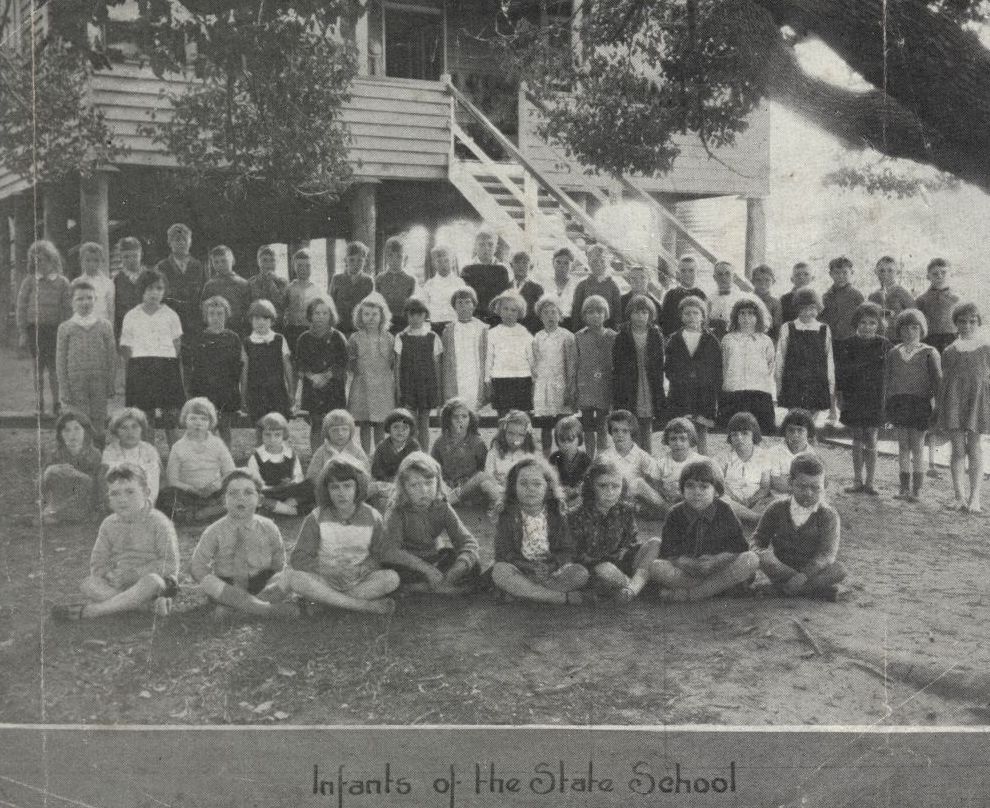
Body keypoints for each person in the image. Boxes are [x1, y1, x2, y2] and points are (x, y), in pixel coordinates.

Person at [52, 464, 179, 621]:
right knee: (88, 584)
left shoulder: (159, 522)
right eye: (115, 494)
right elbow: (98, 563)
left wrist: (134, 575)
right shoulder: (108, 524)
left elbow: (170, 564)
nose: (123, 500)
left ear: (146, 493)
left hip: (153, 582)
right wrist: (109, 574)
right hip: (120, 584)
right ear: (109, 497)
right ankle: (144, 606)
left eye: (130, 492)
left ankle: (93, 611)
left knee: (152, 581)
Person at [286, 456, 399, 616]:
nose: (341, 493)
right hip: (324, 578)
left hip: (357, 580)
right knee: (295, 578)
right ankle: (362, 606)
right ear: (326, 490)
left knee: (391, 578)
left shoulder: (373, 517)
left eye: (347, 486)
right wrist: (327, 569)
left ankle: (326, 602)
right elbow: (298, 557)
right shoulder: (316, 517)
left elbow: (379, 555)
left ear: (358, 487)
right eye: (334, 487)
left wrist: (362, 569)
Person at [190, 470, 299, 620]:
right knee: (208, 582)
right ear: (224, 500)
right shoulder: (214, 531)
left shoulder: (268, 527)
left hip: (262, 582)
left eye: (248, 493)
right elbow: (197, 565)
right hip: (228, 585)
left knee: (290, 575)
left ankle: (238, 611)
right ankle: (265, 609)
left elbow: (278, 562)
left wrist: (276, 579)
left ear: (260, 499)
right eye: (233, 493)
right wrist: (208, 580)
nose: (240, 498)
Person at [650, 459, 758, 602]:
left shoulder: (725, 510)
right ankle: (715, 590)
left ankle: (691, 595)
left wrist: (716, 561)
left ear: (716, 491)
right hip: (687, 572)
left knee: (751, 559)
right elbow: (668, 551)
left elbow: (739, 547)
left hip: (719, 568)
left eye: (704, 487)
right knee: (656, 567)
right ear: (682, 489)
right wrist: (687, 563)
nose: (697, 492)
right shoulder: (674, 513)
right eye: (690, 486)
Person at [489, 456, 591, 605]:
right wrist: (528, 567)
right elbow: (503, 553)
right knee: (499, 571)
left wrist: (550, 566)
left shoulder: (557, 514)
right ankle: (558, 598)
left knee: (581, 573)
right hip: (520, 570)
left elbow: (567, 550)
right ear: (513, 487)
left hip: (551, 572)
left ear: (548, 488)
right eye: (523, 483)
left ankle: (525, 593)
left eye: (537, 484)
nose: (530, 489)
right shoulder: (507, 515)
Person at [379, 452, 481, 595]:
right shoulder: (397, 510)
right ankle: (430, 588)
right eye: (414, 485)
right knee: (391, 574)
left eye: (429, 483)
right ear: (404, 488)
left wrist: (457, 568)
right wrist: (427, 569)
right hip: (407, 562)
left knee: (473, 564)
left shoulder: (442, 506)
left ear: (438, 482)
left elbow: (467, 541)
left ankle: (429, 587)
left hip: (433, 557)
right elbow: (389, 551)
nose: (424, 491)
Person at [753, 453, 847, 600]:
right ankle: (815, 591)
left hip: (812, 571)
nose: (808, 493)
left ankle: (779, 591)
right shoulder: (776, 508)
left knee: (839, 569)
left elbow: (827, 554)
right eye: (802, 487)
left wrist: (803, 576)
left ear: (825, 485)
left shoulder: (828, 515)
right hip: (780, 568)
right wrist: (761, 553)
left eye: (816, 488)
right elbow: (758, 539)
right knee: (764, 558)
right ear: (790, 482)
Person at [570, 458, 662, 603]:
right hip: (594, 569)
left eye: (615, 486)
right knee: (606, 571)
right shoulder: (576, 515)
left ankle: (631, 589)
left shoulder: (625, 510)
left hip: (622, 562)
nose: (610, 492)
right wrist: (603, 564)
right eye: (603, 486)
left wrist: (625, 554)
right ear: (592, 486)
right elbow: (575, 554)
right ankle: (636, 587)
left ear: (622, 487)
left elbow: (630, 542)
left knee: (655, 543)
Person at [119, 267, 184, 444]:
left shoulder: (171, 315)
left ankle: (174, 456)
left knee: (170, 416)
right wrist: (135, 369)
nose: (154, 293)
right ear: (141, 290)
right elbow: (126, 347)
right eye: (149, 289)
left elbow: (176, 343)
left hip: (166, 368)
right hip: (141, 368)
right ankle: (149, 456)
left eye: (159, 288)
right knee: (145, 418)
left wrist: (164, 360)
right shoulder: (131, 316)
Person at [937, 303, 990, 513]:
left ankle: (975, 497)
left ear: (978, 323)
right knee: (958, 449)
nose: (967, 325)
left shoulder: (985, 348)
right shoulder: (949, 350)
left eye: (972, 321)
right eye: (962, 321)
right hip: (954, 402)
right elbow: (945, 380)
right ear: (956, 323)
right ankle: (959, 496)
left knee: (975, 447)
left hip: (977, 402)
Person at [884, 309, 942, 502]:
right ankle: (903, 487)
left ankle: (916, 490)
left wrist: (937, 406)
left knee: (917, 446)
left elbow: (937, 382)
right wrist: (887, 403)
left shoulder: (929, 352)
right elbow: (888, 380)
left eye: (914, 327)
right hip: (899, 403)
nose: (910, 332)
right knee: (902, 446)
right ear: (899, 330)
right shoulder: (893, 352)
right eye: (905, 328)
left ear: (922, 329)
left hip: (920, 403)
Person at [837, 302, 891, 495]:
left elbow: (890, 374)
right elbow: (841, 374)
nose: (867, 327)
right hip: (854, 397)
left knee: (872, 437)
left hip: (875, 398)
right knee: (857, 437)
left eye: (872, 323)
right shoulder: (847, 343)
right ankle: (857, 480)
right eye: (863, 322)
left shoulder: (884, 344)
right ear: (856, 323)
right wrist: (840, 397)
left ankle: (870, 482)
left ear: (878, 325)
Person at [56, 278, 117, 446]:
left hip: (99, 381)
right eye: (80, 299)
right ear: (72, 302)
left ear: (95, 300)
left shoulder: (105, 325)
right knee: (79, 419)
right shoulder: (65, 328)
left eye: (89, 298)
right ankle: (80, 458)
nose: (85, 302)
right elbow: (60, 362)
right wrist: (64, 388)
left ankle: (97, 457)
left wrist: (110, 383)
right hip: (75, 383)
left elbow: (112, 357)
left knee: (98, 419)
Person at [916, 257, 961, 478]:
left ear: (949, 273)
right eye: (935, 273)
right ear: (928, 276)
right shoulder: (922, 300)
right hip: (930, 345)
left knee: (948, 395)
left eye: (943, 272)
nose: (939, 276)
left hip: (951, 345)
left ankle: (952, 457)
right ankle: (929, 462)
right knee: (930, 396)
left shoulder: (956, 299)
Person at [157, 397, 236, 523]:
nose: (198, 423)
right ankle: (205, 513)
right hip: (188, 494)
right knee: (165, 496)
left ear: (211, 422)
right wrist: (191, 489)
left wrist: (217, 485)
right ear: (184, 420)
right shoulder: (178, 447)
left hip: (213, 492)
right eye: (193, 418)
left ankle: (200, 514)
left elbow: (230, 472)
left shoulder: (218, 444)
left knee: (237, 489)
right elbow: (172, 479)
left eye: (203, 419)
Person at [16, 239, 71, 414]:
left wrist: (64, 331)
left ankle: (57, 403)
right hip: (35, 330)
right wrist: (23, 332)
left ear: (53, 260)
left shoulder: (62, 282)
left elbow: (66, 308)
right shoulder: (30, 282)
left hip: (54, 331)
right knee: (37, 369)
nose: (40, 264)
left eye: (43, 260)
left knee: (55, 370)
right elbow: (21, 306)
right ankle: (39, 404)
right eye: (36, 261)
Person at [663, 295, 721, 455]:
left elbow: (716, 369)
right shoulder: (674, 339)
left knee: (701, 430)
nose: (691, 317)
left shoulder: (711, 339)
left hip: (703, 393)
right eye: (687, 313)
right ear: (681, 316)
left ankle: (703, 462)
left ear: (703, 316)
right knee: (682, 430)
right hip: (681, 393)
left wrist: (704, 382)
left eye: (696, 313)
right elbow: (668, 368)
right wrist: (682, 379)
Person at [185, 295, 242, 445]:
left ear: (226, 315)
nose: (216, 318)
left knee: (224, 427)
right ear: (206, 316)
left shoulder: (233, 338)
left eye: (220, 314)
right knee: (206, 427)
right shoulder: (199, 338)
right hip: (205, 390)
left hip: (226, 391)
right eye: (211, 314)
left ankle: (226, 461)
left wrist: (235, 392)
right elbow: (195, 369)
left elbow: (236, 368)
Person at [612, 295, 665, 452]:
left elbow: (659, 363)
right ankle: (633, 458)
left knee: (646, 424)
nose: (640, 316)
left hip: (648, 383)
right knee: (631, 422)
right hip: (630, 384)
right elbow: (617, 364)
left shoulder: (656, 334)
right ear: (629, 314)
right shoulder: (622, 335)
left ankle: (647, 459)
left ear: (650, 314)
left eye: (644, 312)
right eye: (636, 312)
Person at [776, 287, 838, 421]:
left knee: (810, 423)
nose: (807, 312)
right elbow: (780, 357)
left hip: (816, 382)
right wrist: (779, 385)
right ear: (797, 308)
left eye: (812, 308)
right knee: (794, 420)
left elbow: (829, 359)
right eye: (803, 308)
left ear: (818, 308)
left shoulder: (824, 329)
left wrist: (830, 386)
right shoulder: (788, 327)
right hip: (793, 381)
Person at [296, 297, 349, 451]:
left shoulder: (338, 337)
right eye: (316, 313)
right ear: (310, 315)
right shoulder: (304, 338)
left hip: (333, 387)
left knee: (335, 423)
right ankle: (317, 456)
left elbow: (343, 362)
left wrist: (326, 376)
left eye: (324, 313)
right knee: (316, 423)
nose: (320, 316)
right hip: (313, 387)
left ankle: (336, 456)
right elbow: (300, 363)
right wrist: (313, 376)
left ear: (330, 315)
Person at [719, 297, 777, 437]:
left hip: (759, 392)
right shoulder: (728, 339)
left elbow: (770, 365)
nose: (746, 318)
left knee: (761, 433)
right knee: (734, 433)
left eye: (751, 313)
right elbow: (723, 364)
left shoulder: (765, 340)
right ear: (736, 317)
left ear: (758, 317)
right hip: (734, 391)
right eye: (742, 313)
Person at [348, 292, 396, 454]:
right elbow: (351, 363)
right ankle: (365, 455)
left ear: (382, 316)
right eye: (366, 314)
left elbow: (392, 363)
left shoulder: (389, 338)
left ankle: (379, 456)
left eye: (375, 314)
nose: (370, 318)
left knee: (381, 423)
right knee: (365, 423)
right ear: (360, 316)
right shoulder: (355, 338)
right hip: (363, 385)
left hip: (382, 386)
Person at [395, 297, 442, 451]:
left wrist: (437, 388)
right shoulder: (401, 337)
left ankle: (424, 454)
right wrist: (398, 388)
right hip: (408, 384)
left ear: (425, 315)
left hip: (426, 385)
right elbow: (397, 365)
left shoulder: (432, 337)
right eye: (411, 314)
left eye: (419, 314)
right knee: (410, 422)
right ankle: (411, 453)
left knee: (424, 422)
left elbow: (436, 365)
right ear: (406, 316)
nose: (415, 318)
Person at [598, 410, 667, 514]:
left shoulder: (641, 455)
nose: (619, 435)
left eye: (625, 431)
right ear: (610, 433)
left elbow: (656, 479)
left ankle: (667, 510)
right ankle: (636, 509)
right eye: (615, 431)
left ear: (632, 432)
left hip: (635, 495)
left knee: (639, 483)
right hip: (613, 495)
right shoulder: (605, 457)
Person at [531, 296, 577, 451]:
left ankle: (565, 455)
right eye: (546, 313)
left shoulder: (567, 336)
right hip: (544, 385)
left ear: (560, 315)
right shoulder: (538, 337)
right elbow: (535, 362)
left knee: (563, 425)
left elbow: (571, 363)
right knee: (546, 427)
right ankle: (546, 457)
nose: (550, 316)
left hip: (561, 384)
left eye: (553, 312)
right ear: (540, 317)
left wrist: (569, 387)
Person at [41, 411, 103, 525]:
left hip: (84, 498)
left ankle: (67, 515)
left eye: (77, 429)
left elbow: (96, 486)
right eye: (66, 430)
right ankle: (58, 513)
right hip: (61, 496)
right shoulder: (55, 454)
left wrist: (76, 474)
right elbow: (42, 486)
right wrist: (49, 471)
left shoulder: (94, 455)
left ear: (86, 431)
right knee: (54, 475)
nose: (72, 434)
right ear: (60, 434)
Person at [574, 295, 617, 458]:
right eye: (590, 312)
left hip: (604, 387)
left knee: (602, 425)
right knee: (587, 427)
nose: (595, 316)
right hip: (585, 386)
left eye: (600, 312)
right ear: (584, 315)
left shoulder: (612, 336)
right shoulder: (579, 336)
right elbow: (575, 362)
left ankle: (602, 459)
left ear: (605, 314)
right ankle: (589, 457)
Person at [246, 412, 312, 516]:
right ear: (261, 435)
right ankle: (292, 511)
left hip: (289, 491)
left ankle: (279, 508)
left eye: (277, 435)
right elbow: (256, 483)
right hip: (269, 492)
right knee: (256, 496)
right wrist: (273, 488)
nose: (272, 440)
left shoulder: (291, 454)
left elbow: (298, 476)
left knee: (310, 486)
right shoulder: (256, 457)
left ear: (283, 435)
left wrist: (292, 483)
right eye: (267, 435)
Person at [718, 411, 774, 527]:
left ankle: (741, 517)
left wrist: (751, 501)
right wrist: (734, 499)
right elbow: (719, 483)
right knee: (720, 500)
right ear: (730, 437)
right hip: (731, 499)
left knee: (772, 501)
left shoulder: (763, 456)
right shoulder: (723, 457)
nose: (739, 438)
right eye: (734, 434)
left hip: (755, 500)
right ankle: (755, 519)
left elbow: (765, 487)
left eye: (744, 433)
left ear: (753, 435)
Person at [430, 398, 489, 507]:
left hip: (468, 487)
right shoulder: (440, 442)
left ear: (470, 419)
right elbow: (434, 467)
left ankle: (453, 499)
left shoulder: (477, 442)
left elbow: (484, 468)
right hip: (447, 485)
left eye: (464, 416)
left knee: (481, 478)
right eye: (455, 417)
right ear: (448, 419)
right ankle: (449, 499)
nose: (460, 420)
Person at [241, 299, 292, 422]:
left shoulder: (279, 339)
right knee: (260, 427)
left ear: (272, 321)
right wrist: (243, 395)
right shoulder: (247, 342)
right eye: (257, 319)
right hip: (256, 393)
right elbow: (244, 372)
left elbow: (287, 367)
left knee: (278, 426)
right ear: (251, 321)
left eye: (265, 318)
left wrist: (291, 391)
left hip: (277, 392)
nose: (261, 322)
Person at [155, 223, 206, 348]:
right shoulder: (162, 267)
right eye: (177, 240)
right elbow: (160, 296)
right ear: (170, 243)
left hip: (194, 321)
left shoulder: (197, 266)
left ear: (190, 242)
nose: (181, 243)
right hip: (170, 320)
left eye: (185, 239)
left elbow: (203, 293)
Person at [485, 290, 535, 418]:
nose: (509, 313)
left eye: (513, 310)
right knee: (503, 417)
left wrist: (534, 380)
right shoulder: (493, 333)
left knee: (522, 417)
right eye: (505, 309)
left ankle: (522, 438)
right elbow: (489, 358)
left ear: (519, 313)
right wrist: (487, 380)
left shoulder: (524, 332)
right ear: (499, 310)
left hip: (523, 379)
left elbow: (531, 358)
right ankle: (502, 438)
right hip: (501, 379)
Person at [102, 408, 162, 507]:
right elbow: (112, 483)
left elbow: (153, 484)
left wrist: (145, 505)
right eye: (124, 428)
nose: (130, 432)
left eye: (135, 427)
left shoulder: (149, 450)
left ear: (141, 429)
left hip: (146, 504)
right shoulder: (110, 452)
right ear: (116, 431)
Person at [440, 287, 488, 412]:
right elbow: (445, 359)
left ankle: (474, 430)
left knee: (473, 408)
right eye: (459, 303)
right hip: (457, 374)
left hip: (475, 374)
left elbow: (486, 356)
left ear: (474, 305)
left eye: (467, 302)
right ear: (454, 306)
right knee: (456, 408)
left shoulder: (482, 329)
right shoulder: (449, 330)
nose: (464, 306)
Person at [483, 409, 539, 508]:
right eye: (510, 433)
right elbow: (489, 473)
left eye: (520, 435)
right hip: (499, 491)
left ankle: (509, 507)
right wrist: (497, 484)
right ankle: (502, 505)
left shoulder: (529, 453)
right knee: (486, 484)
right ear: (504, 432)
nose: (515, 439)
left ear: (526, 436)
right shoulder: (496, 450)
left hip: (518, 490)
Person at [370, 408, 421, 510]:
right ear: (389, 428)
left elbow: (418, 467)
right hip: (386, 483)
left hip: (406, 482)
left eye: (405, 428)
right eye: (396, 427)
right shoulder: (382, 446)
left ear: (410, 430)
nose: (400, 431)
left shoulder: (414, 446)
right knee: (373, 489)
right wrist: (386, 480)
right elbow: (376, 469)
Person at [461, 228, 511, 326]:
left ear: (496, 248)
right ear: (475, 247)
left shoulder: (503, 270)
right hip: (473, 319)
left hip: (497, 319)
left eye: (490, 244)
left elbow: (506, 297)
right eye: (482, 244)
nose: (486, 248)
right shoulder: (467, 269)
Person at [305, 409, 371, 484]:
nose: (340, 433)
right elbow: (312, 476)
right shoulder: (321, 452)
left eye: (344, 429)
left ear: (351, 431)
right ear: (327, 432)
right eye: (335, 430)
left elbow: (366, 475)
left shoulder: (357, 451)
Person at [653, 417, 703, 512]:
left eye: (683, 439)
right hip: (668, 501)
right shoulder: (661, 463)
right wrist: (664, 492)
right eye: (673, 439)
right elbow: (656, 486)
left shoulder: (699, 461)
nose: (678, 443)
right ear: (667, 441)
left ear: (690, 440)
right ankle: (672, 511)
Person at [768, 408, 818, 497]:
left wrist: (787, 480)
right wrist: (803, 485)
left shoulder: (812, 455)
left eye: (800, 430)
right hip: (779, 499)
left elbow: (816, 484)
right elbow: (776, 483)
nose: (795, 435)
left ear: (808, 432)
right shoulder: (774, 452)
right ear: (785, 431)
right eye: (791, 430)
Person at [202, 245, 252, 335]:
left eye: (223, 261)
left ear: (232, 261)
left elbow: (248, 310)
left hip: (238, 329)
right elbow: (204, 310)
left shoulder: (243, 284)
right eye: (216, 262)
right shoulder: (209, 285)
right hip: (215, 329)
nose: (220, 265)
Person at [821, 255, 865, 356]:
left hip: (851, 341)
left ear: (852, 273)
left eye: (845, 273)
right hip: (831, 341)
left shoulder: (856, 295)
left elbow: (864, 317)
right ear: (831, 274)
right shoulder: (826, 296)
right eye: (837, 273)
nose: (841, 276)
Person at [571, 244, 622, 330]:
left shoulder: (613, 286)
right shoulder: (582, 286)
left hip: (607, 332)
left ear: (608, 263)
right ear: (589, 263)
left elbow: (618, 314)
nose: (598, 264)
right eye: (594, 261)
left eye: (602, 261)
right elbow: (576, 312)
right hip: (586, 331)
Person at [419, 244, 467, 335]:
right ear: (433, 263)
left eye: (446, 260)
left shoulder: (459, 283)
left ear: (452, 262)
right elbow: (424, 309)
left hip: (455, 325)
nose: (443, 265)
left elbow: (463, 306)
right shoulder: (429, 285)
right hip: (435, 326)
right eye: (439, 261)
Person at [330, 241, 375, 336]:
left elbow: (371, 307)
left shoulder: (368, 281)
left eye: (360, 260)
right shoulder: (337, 279)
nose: (356, 264)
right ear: (345, 260)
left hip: (360, 330)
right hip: (340, 328)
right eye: (351, 260)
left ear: (365, 261)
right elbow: (331, 304)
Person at [375, 236, 417, 333]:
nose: (394, 260)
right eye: (390, 255)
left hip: (403, 323)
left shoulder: (410, 280)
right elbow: (377, 303)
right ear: (386, 257)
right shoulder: (380, 278)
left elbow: (410, 305)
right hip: (384, 323)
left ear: (405, 258)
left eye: (399, 256)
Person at [548, 414, 591, 508]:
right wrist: (559, 489)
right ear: (557, 440)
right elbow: (551, 480)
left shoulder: (585, 459)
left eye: (570, 440)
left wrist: (575, 490)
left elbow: (587, 483)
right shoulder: (554, 458)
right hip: (559, 496)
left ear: (579, 439)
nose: (566, 445)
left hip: (578, 497)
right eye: (562, 440)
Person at [868, 256, 915, 341]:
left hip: (898, 339)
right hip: (878, 340)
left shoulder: (903, 294)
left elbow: (913, 318)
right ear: (876, 272)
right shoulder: (873, 296)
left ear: (897, 272)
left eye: (890, 271)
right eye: (882, 271)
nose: (885, 274)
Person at [659, 255, 707, 337]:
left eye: (691, 270)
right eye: (683, 271)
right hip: (675, 340)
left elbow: (704, 322)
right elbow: (664, 322)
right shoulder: (670, 295)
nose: (687, 274)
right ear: (678, 273)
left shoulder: (701, 295)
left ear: (697, 272)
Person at [112, 236, 148, 341]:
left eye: (134, 256)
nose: (131, 260)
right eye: (126, 257)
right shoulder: (116, 281)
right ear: (121, 257)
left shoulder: (151, 277)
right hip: (127, 334)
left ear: (141, 255)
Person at [248, 245, 288, 322]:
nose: (268, 264)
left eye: (272, 260)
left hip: (277, 325)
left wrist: (271, 283)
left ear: (276, 262)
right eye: (264, 260)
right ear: (258, 262)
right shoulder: (251, 283)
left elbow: (283, 306)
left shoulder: (282, 283)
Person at [78, 241, 115, 325]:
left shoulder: (108, 283)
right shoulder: (77, 283)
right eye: (88, 260)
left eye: (96, 260)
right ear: (81, 261)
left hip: (101, 326)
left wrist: (109, 330)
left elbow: (111, 310)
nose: (92, 264)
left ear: (102, 261)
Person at [508, 250, 545, 333]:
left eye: (525, 263)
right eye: (517, 262)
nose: (521, 266)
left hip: (528, 332)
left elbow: (539, 316)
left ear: (531, 267)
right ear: (511, 265)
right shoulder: (504, 286)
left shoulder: (537, 289)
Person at [707, 261, 743, 340]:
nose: (723, 278)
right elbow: (705, 323)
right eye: (720, 274)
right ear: (714, 277)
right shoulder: (710, 299)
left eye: (727, 274)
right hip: (716, 339)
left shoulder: (742, 298)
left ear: (734, 277)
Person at [547, 247, 579, 331]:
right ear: (552, 262)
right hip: (548, 323)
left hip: (570, 324)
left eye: (566, 263)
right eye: (558, 262)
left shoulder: (577, 284)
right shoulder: (544, 282)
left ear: (572, 265)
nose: (562, 266)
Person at [751, 264, 783, 342]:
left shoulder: (775, 303)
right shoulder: (746, 299)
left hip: (766, 343)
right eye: (758, 280)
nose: (763, 283)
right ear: (752, 281)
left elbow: (777, 330)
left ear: (773, 282)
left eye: (767, 280)